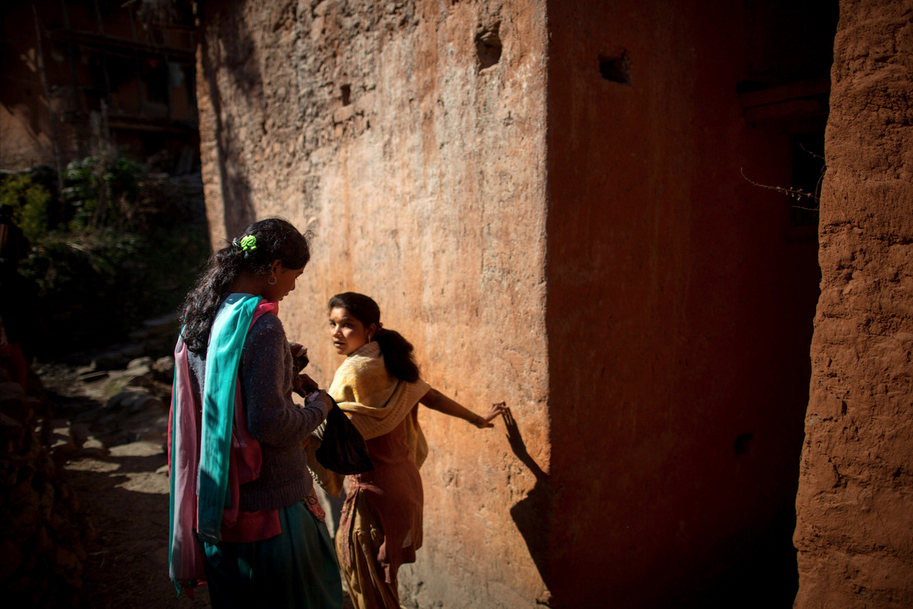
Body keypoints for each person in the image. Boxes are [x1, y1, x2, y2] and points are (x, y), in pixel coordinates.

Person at [167, 218, 342, 608]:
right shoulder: (261, 326)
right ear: (275, 267)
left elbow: (225, 388)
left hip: (217, 498)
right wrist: (319, 406)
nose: (294, 287)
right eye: (295, 276)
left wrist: (285, 369)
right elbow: (270, 423)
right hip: (271, 509)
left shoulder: (202, 316)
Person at [320, 292, 507, 609]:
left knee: (364, 577)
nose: (337, 333)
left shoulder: (354, 372)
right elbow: (430, 396)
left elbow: (331, 428)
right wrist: (476, 418)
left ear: (371, 329)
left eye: (347, 325)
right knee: (381, 577)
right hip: (404, 483)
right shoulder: (389, 361)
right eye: (332, 324)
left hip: (373, 491)